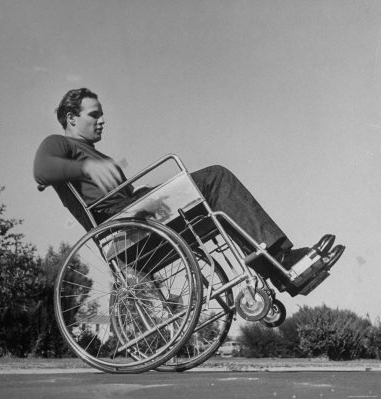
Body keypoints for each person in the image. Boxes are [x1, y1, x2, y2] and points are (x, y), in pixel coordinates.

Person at [34, 88, 344, 291]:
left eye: (101, 114)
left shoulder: (97, 155)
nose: (102, 121)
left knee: (216, 204)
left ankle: (278, 268)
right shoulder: (59, 143)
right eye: (94, 115)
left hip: (135, 220)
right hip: (123, 228)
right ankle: (282, 261)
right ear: (71, 118)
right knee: (216, 179)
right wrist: (85, 168)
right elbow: (41, 169)